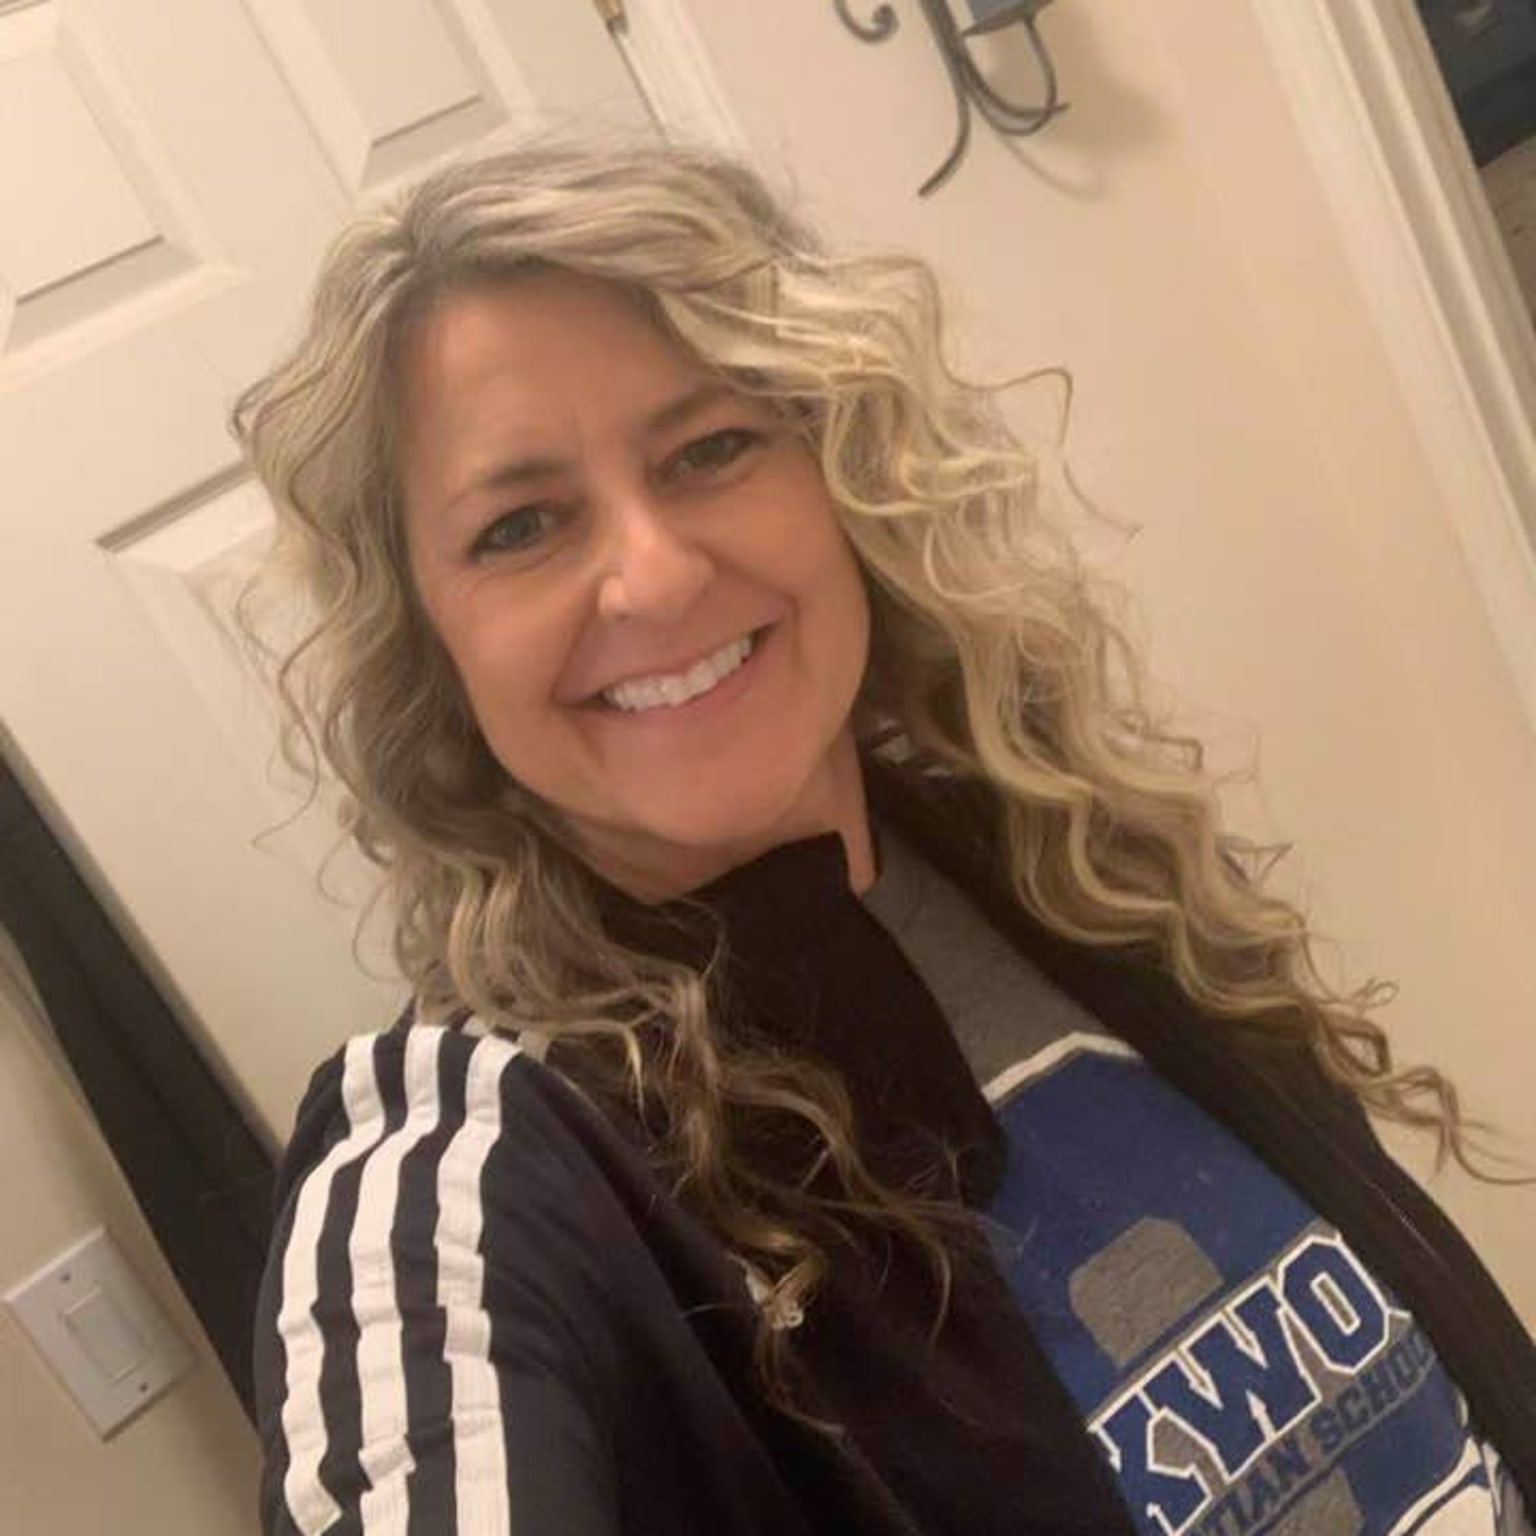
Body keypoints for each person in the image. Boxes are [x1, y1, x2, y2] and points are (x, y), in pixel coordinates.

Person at [235, 138, 1536, 1536]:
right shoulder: (458, 1175)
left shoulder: (1048, 842)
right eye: (520, 525)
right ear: (430, 641)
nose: (654, 576)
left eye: (712, 448)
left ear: (840, 472)